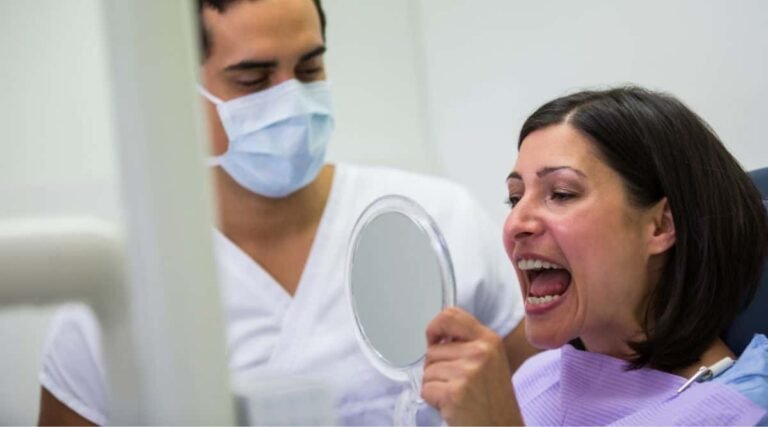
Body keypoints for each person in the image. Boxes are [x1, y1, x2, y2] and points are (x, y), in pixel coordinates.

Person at [36, 0, 536, 425]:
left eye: (309, 70)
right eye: (253, 79)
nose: (292, 100)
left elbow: (547, 404)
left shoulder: (441, 221)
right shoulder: (112, 300)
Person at [421, 86, 768, 425]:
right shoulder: (538, 375)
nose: (515, 223)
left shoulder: (737, 412)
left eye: (561, 193)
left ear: (660, 227)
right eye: (515, 198)